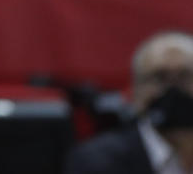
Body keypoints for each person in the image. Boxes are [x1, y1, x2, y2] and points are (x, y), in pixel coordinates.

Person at [64, 31, 193, 174]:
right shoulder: (96, 162)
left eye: (185, 76)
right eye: (159, 78)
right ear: (135, 91)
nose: (173, 89)